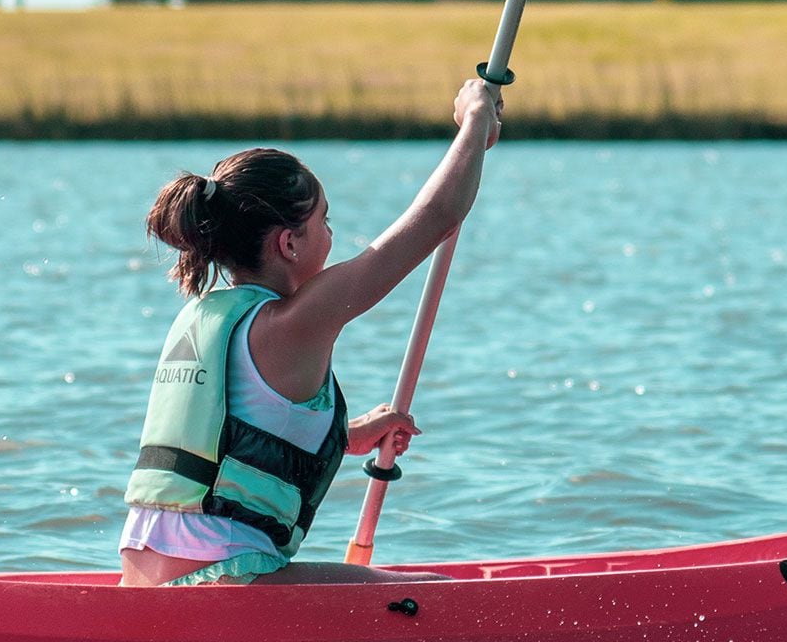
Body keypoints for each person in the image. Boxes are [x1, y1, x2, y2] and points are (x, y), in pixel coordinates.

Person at [119, 78, 504, 587]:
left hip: (143, 578)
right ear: (289, 244)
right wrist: (475, 119)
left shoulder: (207, 314)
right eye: (325, 220)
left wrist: (343, 437)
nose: (332, 234)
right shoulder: (297, 320)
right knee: (441, 595)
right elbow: (436, 218)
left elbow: (237, 435)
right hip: (225, 580)